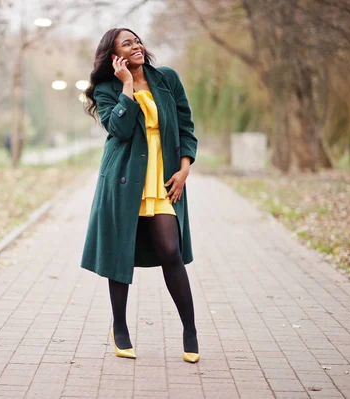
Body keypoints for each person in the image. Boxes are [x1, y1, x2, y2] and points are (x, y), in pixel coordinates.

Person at [80, 28, 199, 363]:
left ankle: (189, 329)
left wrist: (185, 168)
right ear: (114, 55)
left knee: (170, 251)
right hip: (122, 180)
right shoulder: (108, 89)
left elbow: (186, 126)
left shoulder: (167, 79)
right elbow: (118, 129)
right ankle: (120, 327)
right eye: (127, 44)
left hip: (164, 180)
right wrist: (127, 88)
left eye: (137, 41)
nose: (136, 46)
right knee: (119, 254)